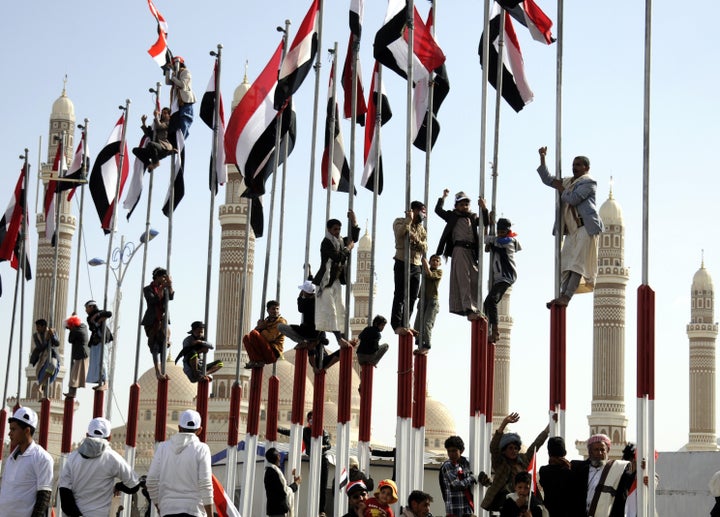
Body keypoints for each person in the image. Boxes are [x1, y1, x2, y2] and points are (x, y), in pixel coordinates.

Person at [537, 147, 604, 308]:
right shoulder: (569, 182)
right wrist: (543, 159)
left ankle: (566, 297)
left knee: (577, 265)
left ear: (586, 168)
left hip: (585, 228)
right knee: (565, 262)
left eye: (579, 165)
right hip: (572, 231)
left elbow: (574, 199)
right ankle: (561, 294)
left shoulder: (589, 183)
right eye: (574, 164)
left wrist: (562, 189)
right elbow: (548, 180)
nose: (575, 167)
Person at [59, 417, 141, 517]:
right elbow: (134, 486)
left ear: (87, 435)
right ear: (110, 438)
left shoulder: (72, 458)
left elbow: (64, 495)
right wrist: (119, 486)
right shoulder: (113, 458)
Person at [146, 409, 214, 516]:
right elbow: (205, 484)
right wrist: (210, 515)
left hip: (168, 510)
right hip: (194, 510)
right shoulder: (202, 449)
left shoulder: (163, 447)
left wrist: (159, 506)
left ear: (179, 427)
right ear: (200, 430)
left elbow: (150, 481)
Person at [435, 190, 489, 319]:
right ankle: (468, 308)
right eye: (461, 204)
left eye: (466, 204)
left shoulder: (473, 217)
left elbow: (485, 222)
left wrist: (484, 208)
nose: (464, 207)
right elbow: (438, 210)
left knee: (475, 278)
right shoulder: (452, 216)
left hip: (471, 251)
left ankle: (476, 307)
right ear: (456, 206)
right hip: (459, 249)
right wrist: (443, 197)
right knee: (464, 279)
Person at [482, 412, 550, 512]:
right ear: (504, 450)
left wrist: (549, 428)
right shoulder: (500, 463)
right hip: (507, 503)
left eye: (515, 448)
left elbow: (536, 445)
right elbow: (493, 447)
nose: (513, 450)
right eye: (510, 448)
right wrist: (504, 423)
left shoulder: (523, 459)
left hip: (526, 499)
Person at [313, 211, 360, 346]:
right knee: (330, 311)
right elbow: (338, 256)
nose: (337, 232)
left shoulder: (340, 241)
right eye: (335, 229)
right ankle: (340, 339)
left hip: (336, 281)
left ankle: (344, 338)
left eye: (339, 229)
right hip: (325, 282)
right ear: (329, 230)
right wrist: (348, 248)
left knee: (341, 310)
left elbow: (353, 238)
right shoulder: (326, 243)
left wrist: (354, 221)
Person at [0, 407, 53, 517]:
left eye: (13, 429)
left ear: (27, 431)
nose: (9, 434)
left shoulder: (42, 458)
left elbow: (44, 497)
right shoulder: (10, 458)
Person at [569, 433, 632, 517]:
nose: (599, 453)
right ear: (590, 451)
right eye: (596, 449)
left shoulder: (616, 469)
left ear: (607, 451)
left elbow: (632, 480)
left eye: (602, 450)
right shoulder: (577, 468)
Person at [391, 201, 427, 334]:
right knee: (400, 294)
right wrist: (409, 220)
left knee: (412, 297)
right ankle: (396, 324)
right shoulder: (399, 221)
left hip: (416, 265)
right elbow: (400, 235)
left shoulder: (421, 229)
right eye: (422, 211)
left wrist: (416, 239)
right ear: (415, 210)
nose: (424, 214)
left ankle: (406, 322)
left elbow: (424, 246)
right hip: (402, 261)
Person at [483, 217, 521, 343]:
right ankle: (486, 329)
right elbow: (488, 241)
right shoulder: (499, 240)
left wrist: (489, 225)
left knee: (492, 301)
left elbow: (489, 240)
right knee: (487, 303)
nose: (499, 233)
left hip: (506, 276)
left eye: (502, 231)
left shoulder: (508, 241)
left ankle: (495, 330)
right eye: (498, 231)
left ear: (507, 231)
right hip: (499, 277)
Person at [141, 267, 174, 380]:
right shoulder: (147, 289)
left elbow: (171, 297)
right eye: (162, 277)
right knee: (155, 346)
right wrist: (161, 288)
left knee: (164, 344)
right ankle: (157, 371)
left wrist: (170, 285)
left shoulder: (165, 288)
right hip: (152, 322)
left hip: (162, 320)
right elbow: (153, 300)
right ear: (157, 277)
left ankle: (164, 370)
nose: (164, 279)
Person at [439, 435, 477, 517]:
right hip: (454, 510)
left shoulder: (464, 464)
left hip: (466, 508)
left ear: (461, 451)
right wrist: (472, 478)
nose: (451, 454)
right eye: (449, 451)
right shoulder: (448, 465)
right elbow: (456, 485)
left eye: (454, 451)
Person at [303, 411, 332, 516]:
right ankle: (312, 506)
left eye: (314, 418)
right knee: (313, 484)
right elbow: (310, 442)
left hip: (323, 460)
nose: (312, 420)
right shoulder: (306, 431)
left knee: (322, 486)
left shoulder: (324, 432)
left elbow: (329, 445)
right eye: (310, 418)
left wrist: (323, 447)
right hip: (313, 459)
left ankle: (321, 510)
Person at [243, 300, 287, 368]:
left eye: (277, 309)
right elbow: (252, 338)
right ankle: (254, 360)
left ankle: (258, 361)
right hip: (264, 351)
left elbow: (270, 337)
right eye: (273, 309)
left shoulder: (281, 322)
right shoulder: (266, 322)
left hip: (272, 352)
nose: (275, 311)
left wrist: (262, 329)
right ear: (268, 310)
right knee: (246, 337)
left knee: (254, 333)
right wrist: (258, 327)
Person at [414, 254, 442, 354]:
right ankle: (419, 342)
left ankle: (427, 345)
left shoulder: (439, 272)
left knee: (426, 324)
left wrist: (424, 262)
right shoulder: (424, 269)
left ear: (439, 264)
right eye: (433, 260)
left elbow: (430, 275)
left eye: (437, 261)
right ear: (430, 262)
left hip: (432, 301)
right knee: (417, 325)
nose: (435, 262)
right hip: (423, 300)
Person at [538, 436, 572, 517]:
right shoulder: (570, 471)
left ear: (549, 453)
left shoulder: (543, 471)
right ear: (565, 452)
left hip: (549, 513)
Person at [165, 56, 196, 142]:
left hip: (185, 100)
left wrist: (174, 78)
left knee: (184, 120)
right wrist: (167, 70)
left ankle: (181, 141)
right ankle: (175, 141)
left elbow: (182, 85)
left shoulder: (185, 72)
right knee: (176, 122)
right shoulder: (176, 74)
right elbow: (168, 82)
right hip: (177, 102)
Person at [264, 447, 301, 517]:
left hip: (274, 511)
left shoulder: (270, 471)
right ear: (277, 457)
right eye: (278, 455)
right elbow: (284, 491)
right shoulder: (274, 473)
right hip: (278, 511)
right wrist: (295, 484)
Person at [85, 300, 113, 390]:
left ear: (92, 307)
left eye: (87, 307)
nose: (86, 310)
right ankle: (99, 380)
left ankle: (106, 383)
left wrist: (98, 316)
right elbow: (92, 327)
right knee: (95, 361)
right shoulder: (89, 318)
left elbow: (109, 313)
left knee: (102, 360)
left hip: (103, 338)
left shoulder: (99, 312)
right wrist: (98, 321)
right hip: (95, 340)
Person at [28, 318, 59, 397]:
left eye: (38, 327)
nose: (37, 329)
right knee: (41, 373)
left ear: (44, 326)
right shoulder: (36, 336)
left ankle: (40, 386)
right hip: (43, 357)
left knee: (52, 366)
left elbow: (57, 343)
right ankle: (43, 393)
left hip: (53, 355)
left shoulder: (52, 331)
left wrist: (52, 336)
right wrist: (46, 340)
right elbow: (40, 347)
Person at [64, 313, 89, 398]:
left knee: (75, 375)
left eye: (69, 327)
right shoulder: (83, 327)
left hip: (81, 354)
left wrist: (71, 329)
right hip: (83, 354)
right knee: (76, 375)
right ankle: (72, 393)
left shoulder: (75, 331)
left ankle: (72, 393)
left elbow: (70, 340)